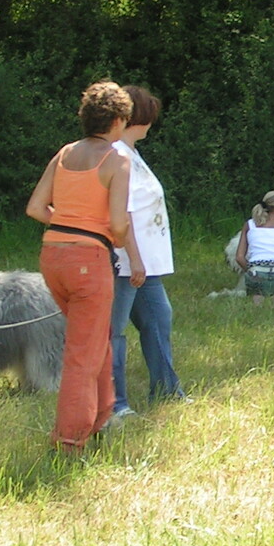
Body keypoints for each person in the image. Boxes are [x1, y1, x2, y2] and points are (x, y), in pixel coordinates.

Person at [26, 81, 132, 452]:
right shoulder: (117, 161)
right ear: (117, 121)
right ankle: (69, 440)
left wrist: (68, 223)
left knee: (94, 339)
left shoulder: (65, 153)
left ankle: (101, 417)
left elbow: (36, 208)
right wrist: (115, 239)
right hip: (89, 261)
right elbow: (118, 223)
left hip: (52, 255)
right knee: (82, 355)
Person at [109, 85, 183, 416]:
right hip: (126, 262)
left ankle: (167, 389)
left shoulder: (132, 153)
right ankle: (115, 403)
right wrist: (134, 259)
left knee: (158, 320)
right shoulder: (117, 156)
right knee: (114, 332)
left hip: (146, 263)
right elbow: (122, 213)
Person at [234, 191, 274, 304]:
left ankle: (257, 306)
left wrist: (251, 270)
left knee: (257, 296)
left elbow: (239, 257)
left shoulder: (249, 225)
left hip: (256, 271)